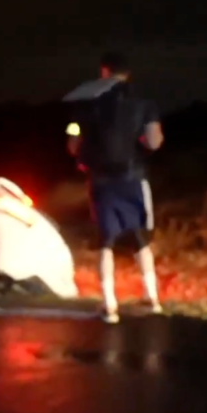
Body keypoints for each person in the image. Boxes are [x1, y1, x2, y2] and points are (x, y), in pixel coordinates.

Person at [64, 51, 164, 323]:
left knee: (105, 241)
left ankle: (109, 306)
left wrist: (73, 134)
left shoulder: (86, 104)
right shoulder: (144, 103)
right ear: (128, 74)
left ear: (104, 72)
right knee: (140, 237)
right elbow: (154, 142)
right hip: (133, 177)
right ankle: (152, 299)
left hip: (101, 180)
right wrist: (141, 141)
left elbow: (73, 142)